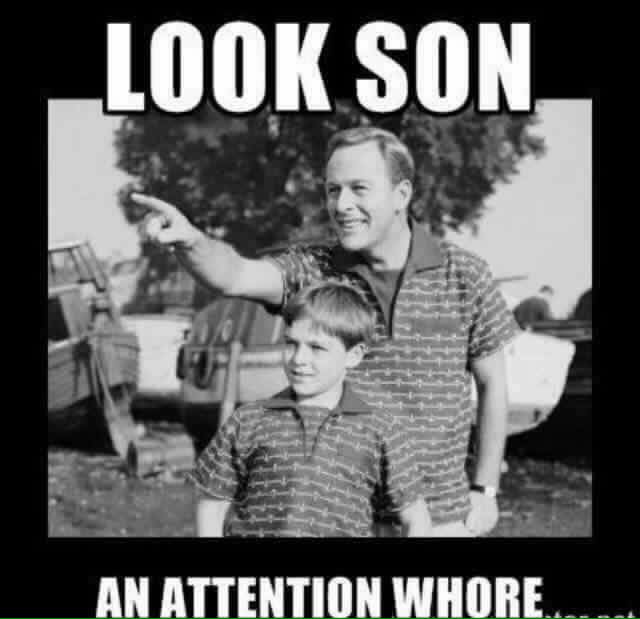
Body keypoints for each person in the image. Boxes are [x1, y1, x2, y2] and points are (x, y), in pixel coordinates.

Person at [133, 126, 520, 537]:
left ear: (402, 194)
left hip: (441, 518)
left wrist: (485, 489)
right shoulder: (312, 269)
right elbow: (235, 275)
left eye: (359, 189)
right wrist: (190, 242)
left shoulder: (465, 274)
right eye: (333, 190)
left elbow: (493, 384)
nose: (342, 204)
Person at [188, 283, 432, 537]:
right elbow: (212, 505)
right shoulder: (247, 421)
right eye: (291, 343)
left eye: (316, 348)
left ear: (354, 355)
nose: (299, 359)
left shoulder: (380, 430)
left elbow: (416, 518)